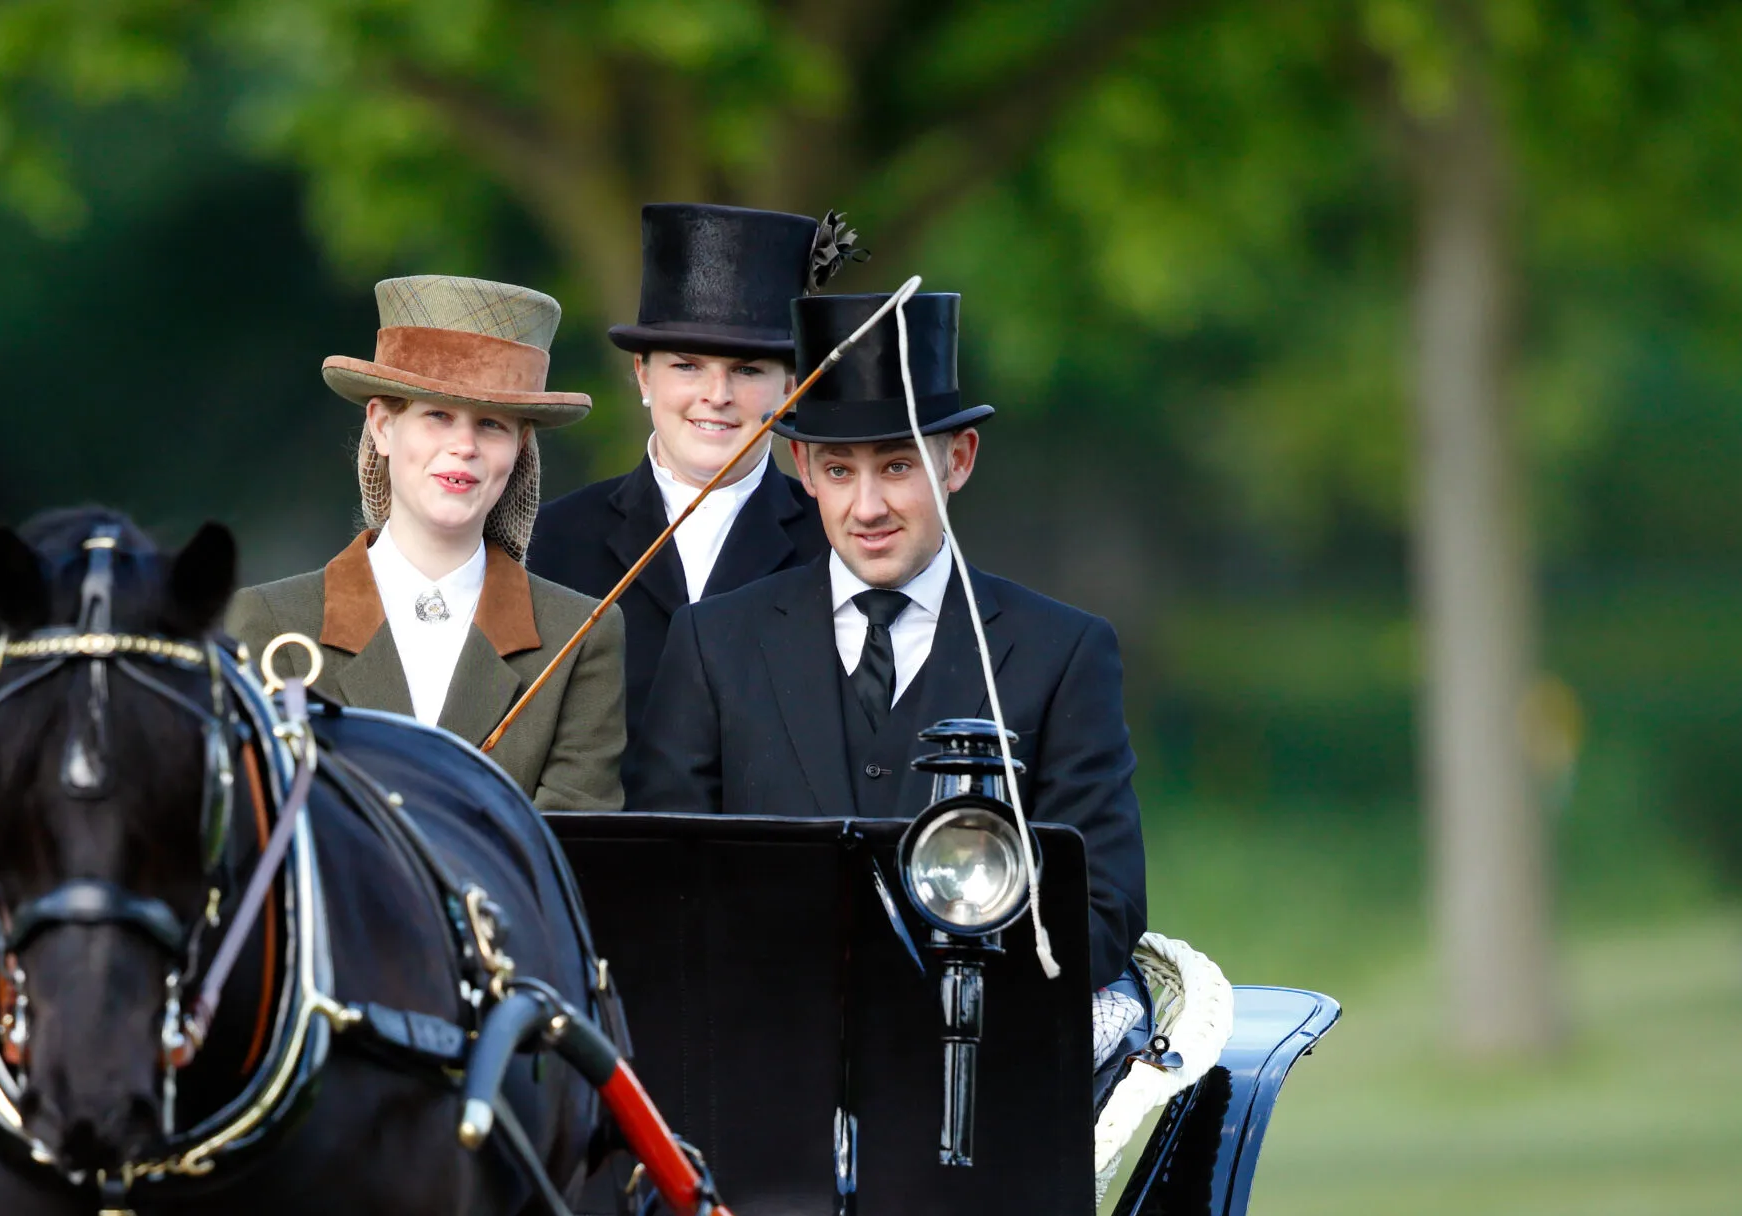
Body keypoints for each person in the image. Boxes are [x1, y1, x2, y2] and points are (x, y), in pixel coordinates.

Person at [631, 290, 1148, 992]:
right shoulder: (714, 644)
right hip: (767, 1067)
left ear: (958, 460)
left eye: (898, 466)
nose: (867, 507)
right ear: (806, 470)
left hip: (978, 1073)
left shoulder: (1064, 652)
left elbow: (1104, 912)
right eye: (840, 470)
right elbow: (661, 886)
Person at [225, 276, 624, 811]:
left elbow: (573, 854)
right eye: (437, 415)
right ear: (383, 426)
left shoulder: (580, 638)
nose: (463, 446)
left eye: (491, 424)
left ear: (520, 446)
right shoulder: (267, 622)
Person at [528, 204, 831, 745]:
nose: (716, 396)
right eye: (687, 365)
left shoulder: (834, 544)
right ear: (642, 375)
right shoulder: (549, 542)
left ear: (791, 387)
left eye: (746, 370)